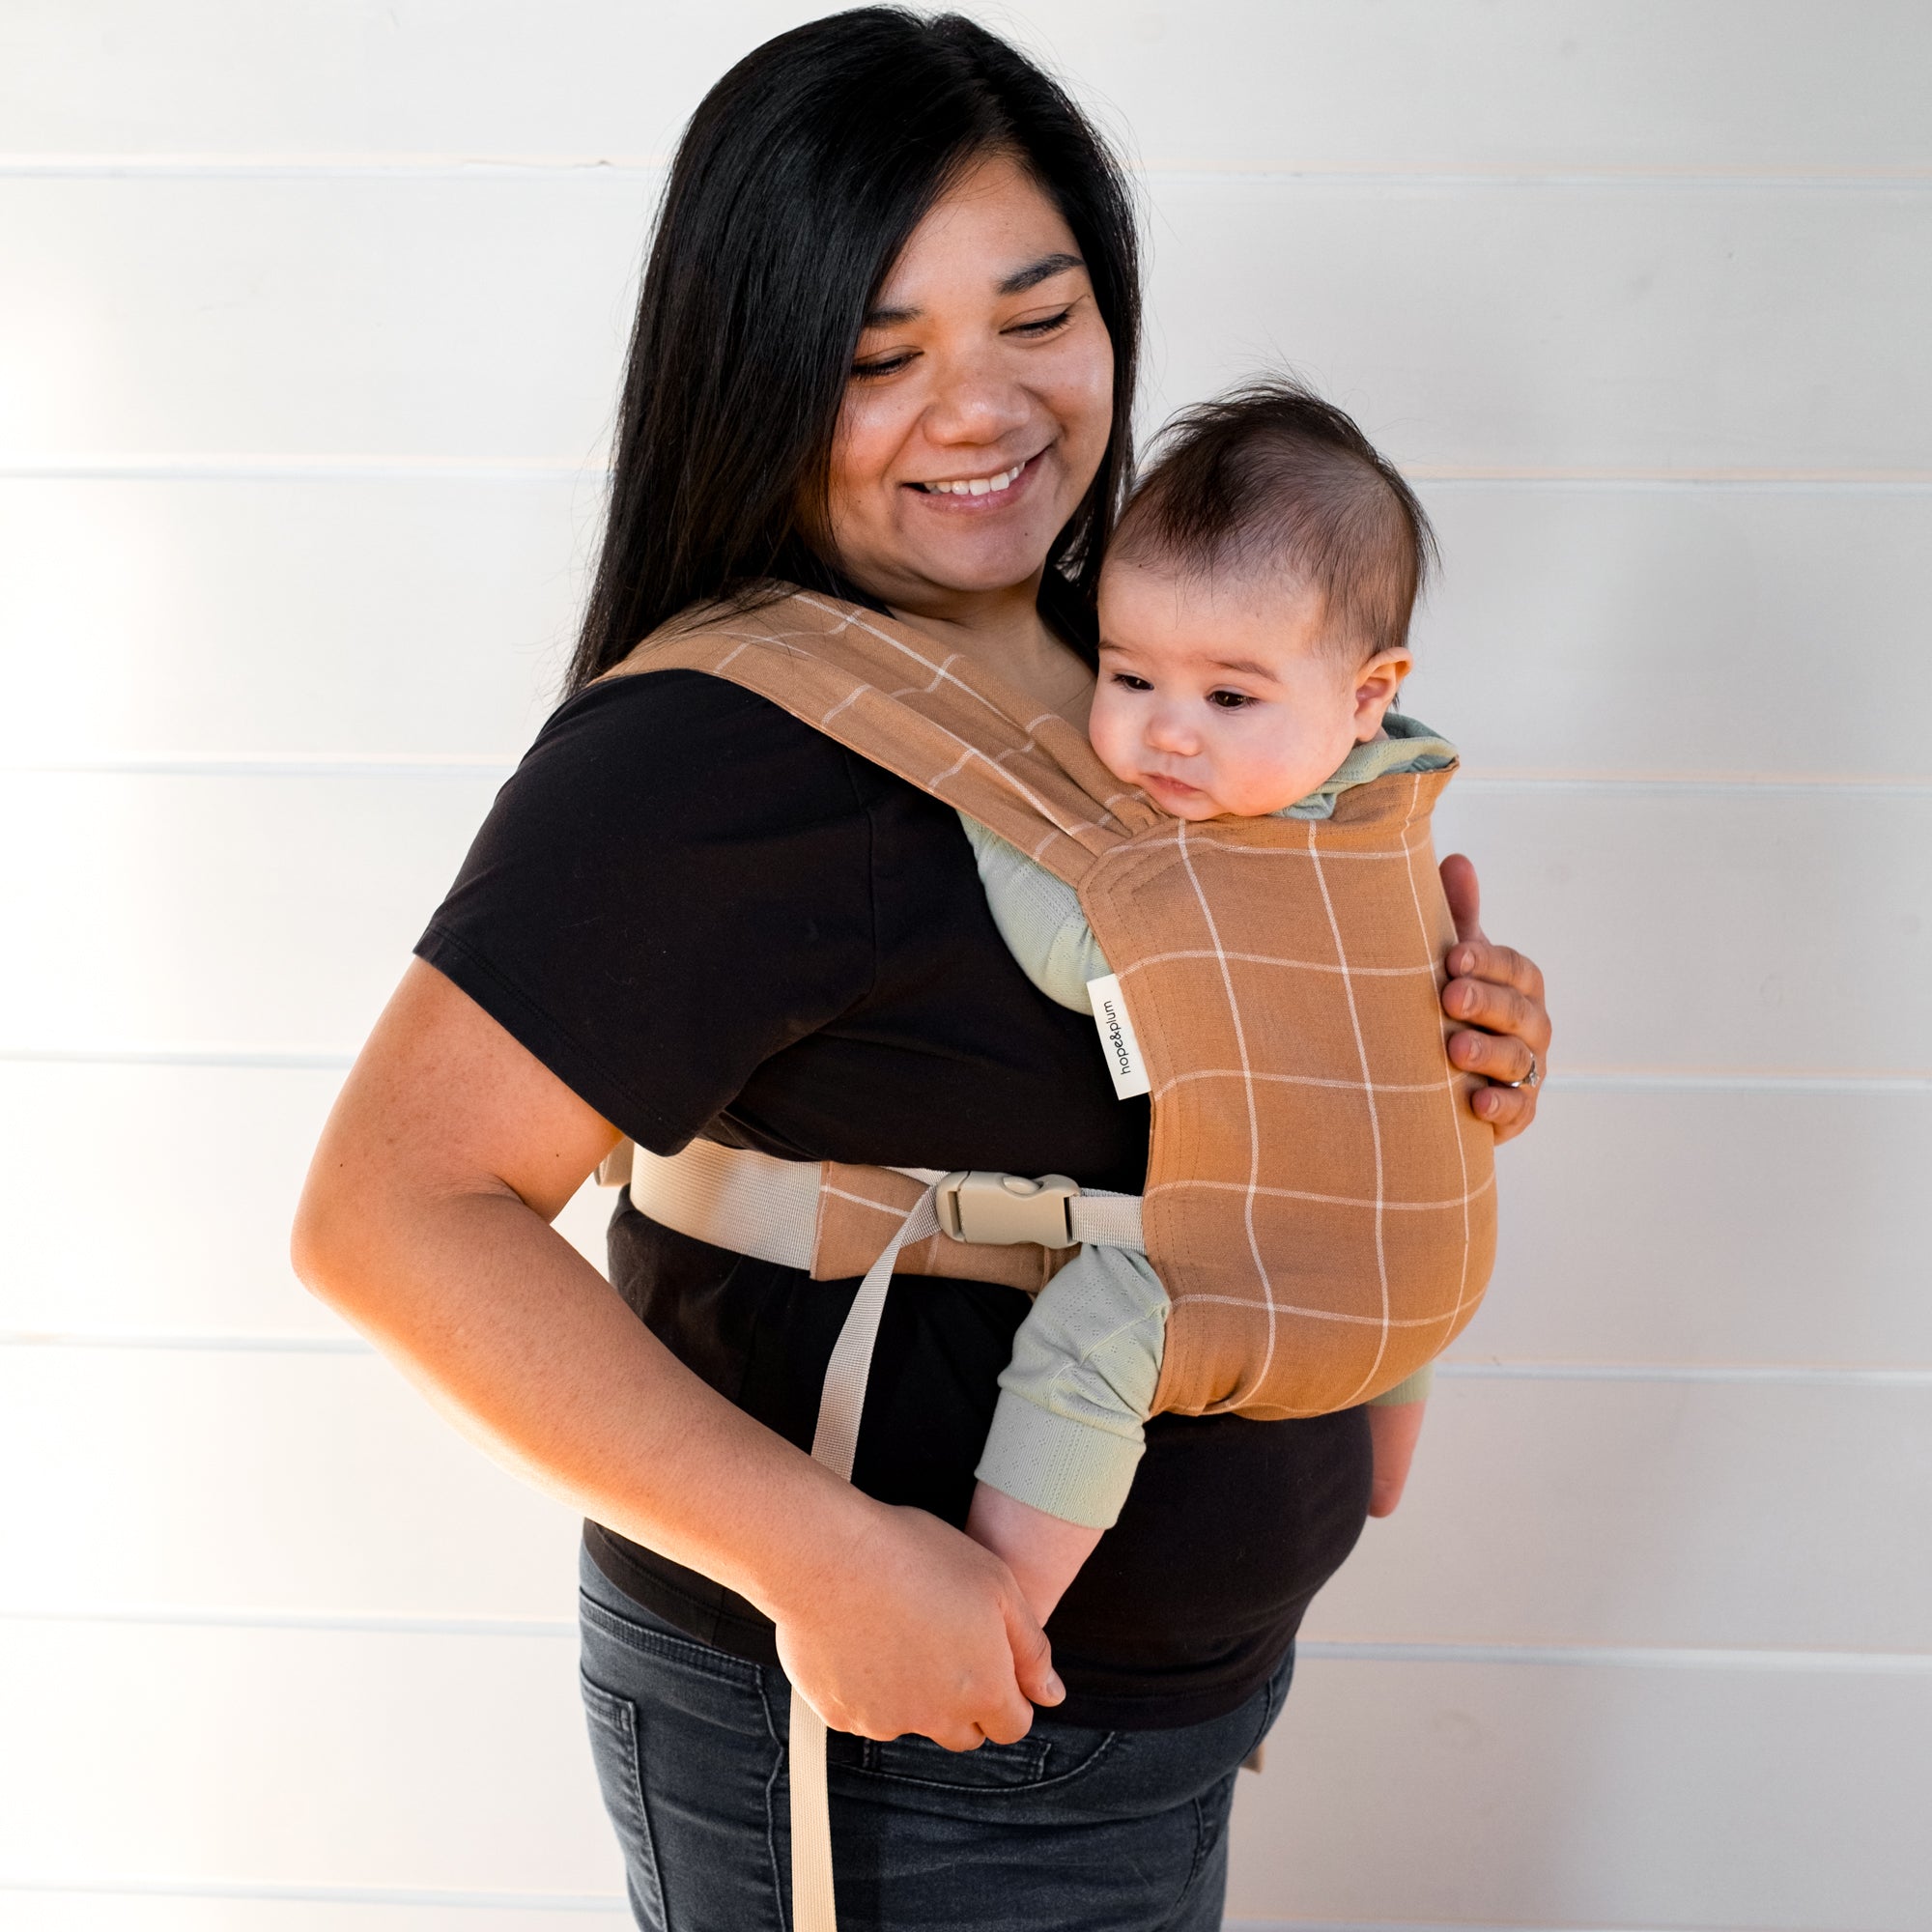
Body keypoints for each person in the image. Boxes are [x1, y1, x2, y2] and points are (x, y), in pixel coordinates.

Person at [292, 12, 1552, 1930]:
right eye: (882, 359)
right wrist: (825, 1562)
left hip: (1155, 1725)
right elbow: (388, 1215)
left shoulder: (1139, 662)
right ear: (757, 370)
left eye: (1039, 318)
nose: (984, 410)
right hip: (903, 1755)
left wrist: (1436, 1052)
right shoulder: (718, 746)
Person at [959, 379, 1469, 1626]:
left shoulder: (1225, 864)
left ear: (1367, 694)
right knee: (1386, 1228)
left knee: (1095, 1336)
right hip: (1434, 1278)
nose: (1168, 735)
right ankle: (1386, 1472)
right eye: (1130, 677)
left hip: (1279, 1279)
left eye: (1230, 698)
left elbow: (1082, 956)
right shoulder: (1393, 801)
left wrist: (985, 809)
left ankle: (996, 1605)